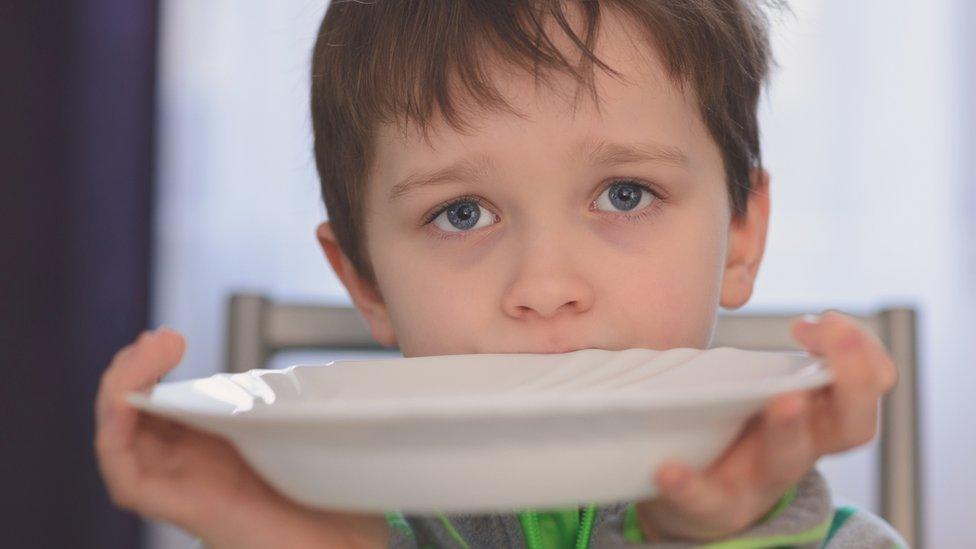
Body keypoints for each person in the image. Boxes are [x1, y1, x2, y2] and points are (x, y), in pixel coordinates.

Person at [94, 0, 908, 547]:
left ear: (739, 236)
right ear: (367, 280)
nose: (546, 285)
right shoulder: (312, 525)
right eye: (462, 213)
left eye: (625, 194)